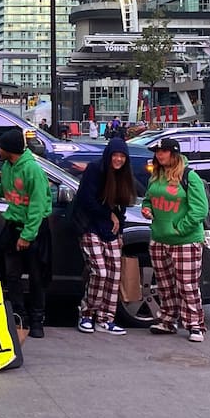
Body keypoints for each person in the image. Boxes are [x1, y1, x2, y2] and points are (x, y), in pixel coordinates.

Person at [141, 137, 209, 342]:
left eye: (163, 151)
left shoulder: (189, 176)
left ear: (174, 153)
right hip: (159, 239)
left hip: (185, 241)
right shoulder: (156, 176)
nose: (159, 155)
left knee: (187, 285)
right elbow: (148, 199)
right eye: (157, 152)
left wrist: (180, 229)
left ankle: (195, 325)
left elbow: (200, 209)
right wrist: (147, 209)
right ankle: (167, 321)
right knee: (164, 285)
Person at [73, 137, 136, 335]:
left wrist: (120, 231)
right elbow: (86, 200)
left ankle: (106, 318)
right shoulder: (95, 169)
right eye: (115, 155)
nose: (118, 159)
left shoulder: (124, 176)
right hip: (90, 226)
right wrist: (109, 214)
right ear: (108, 155)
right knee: (99, 272)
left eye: (122, 156)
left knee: (115, 273)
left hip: (111, 230)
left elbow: (121, 208)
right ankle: (87, 314)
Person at [0, 127, 52, 339]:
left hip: (33, 229)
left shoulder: (32, 170)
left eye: (0, 147)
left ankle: (37, 320)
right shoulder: (7, 166)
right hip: (13, 225)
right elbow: (12, 191)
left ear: (9, 149)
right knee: (11, 275)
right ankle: (19, 317)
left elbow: (37, 206)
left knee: (37, 277)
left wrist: (27, 236)